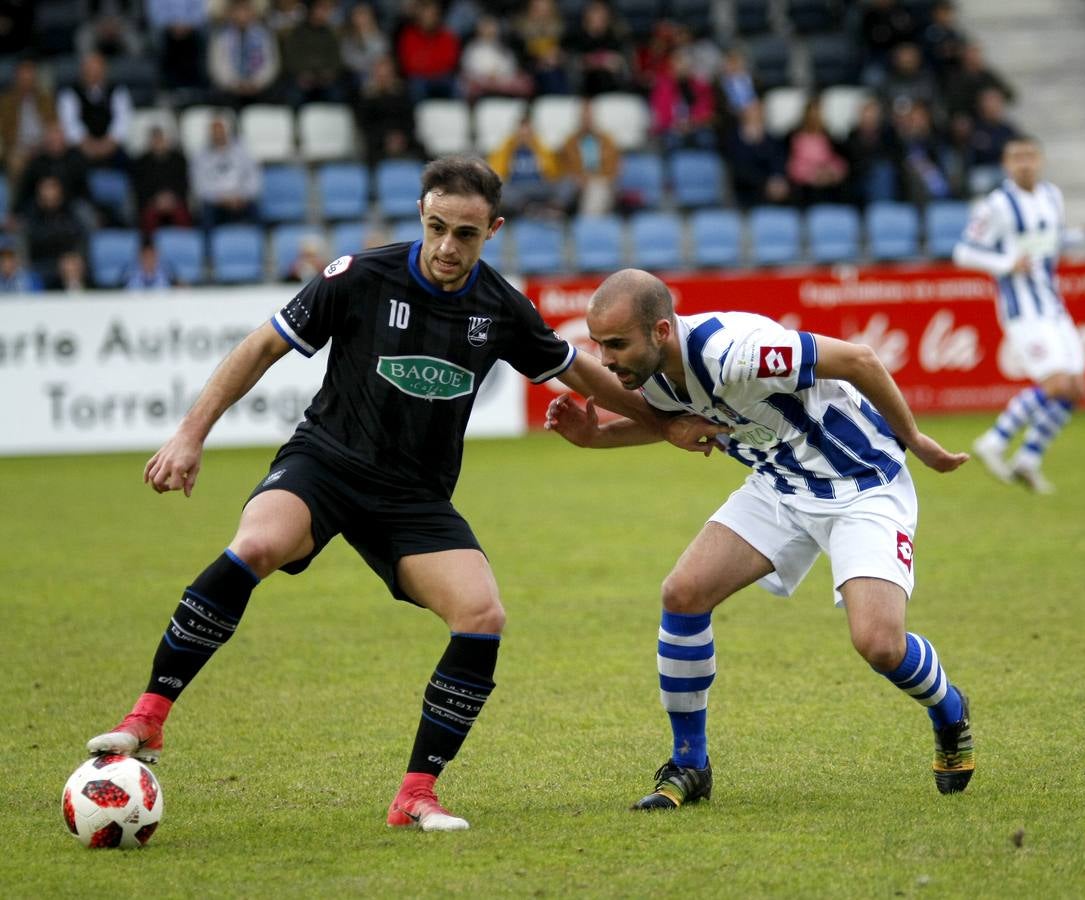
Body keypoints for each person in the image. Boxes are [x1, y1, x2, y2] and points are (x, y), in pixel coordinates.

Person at [84, 155, 721, 833]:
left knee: (482, 614)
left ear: (493, 231)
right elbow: (260, 348)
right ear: (420, 214)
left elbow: (589, 377)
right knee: (257, 544)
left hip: (414, 499)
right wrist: (190, 435)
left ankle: (415, 793)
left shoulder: (501, 308)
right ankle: (147, 718)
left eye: (466, 234)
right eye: (436, 226)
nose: (448, 246)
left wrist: (667, 424)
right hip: (325, 464)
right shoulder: (360, 277)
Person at [544, 268, 975, 807]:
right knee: (682, 593)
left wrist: (914, 438)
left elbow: (859, 359)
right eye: (599, 345)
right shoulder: (645, 370)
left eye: (615, 344)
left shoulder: (738, 352)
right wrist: (597, 437)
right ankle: (689, 765)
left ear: (660, 331)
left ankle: (949, 710)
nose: (606, 359)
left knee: (879, 645)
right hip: (779, 485)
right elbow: (676, 422)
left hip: (862, 484)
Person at [954, 137, 1085, 494]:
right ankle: (995, 440)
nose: (1024, 163)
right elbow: (963, 252)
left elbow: (1050, 241)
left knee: (1077, 389)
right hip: (1023, 310)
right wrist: (1006, 263)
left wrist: (1083, 235)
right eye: (1016, 157)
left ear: (1041, 160)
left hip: (1052, 304)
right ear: (1006, 164)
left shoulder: (1052, 196)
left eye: (1030, 156)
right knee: (1056, 385)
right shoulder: (997, 205)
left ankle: (1028, 458)